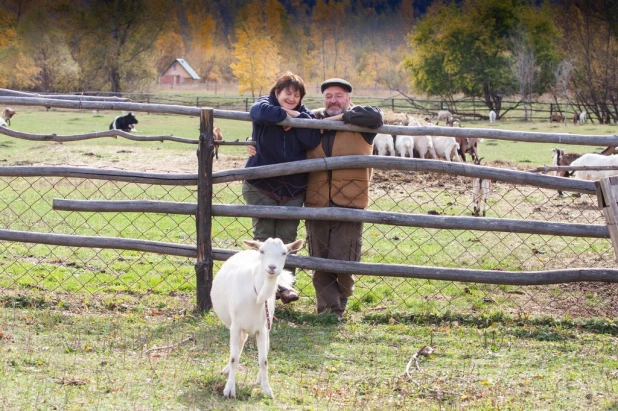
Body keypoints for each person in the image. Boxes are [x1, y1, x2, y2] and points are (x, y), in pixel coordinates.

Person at [305, 78, 383, 318]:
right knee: (319, 259)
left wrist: (339, 118)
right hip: (316, 199)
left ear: (349, 98)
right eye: (328, 96)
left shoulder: (362, 121)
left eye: (339, 95)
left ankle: (343, 296)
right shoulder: (310, 120)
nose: (333, 100)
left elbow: (376, 117)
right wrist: (250, 143)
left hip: (350, 200)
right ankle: (330, 311)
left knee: (344, 259)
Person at [243, 71, 321, 303]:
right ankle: (260, 290)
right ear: (277, 92)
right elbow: (259, 111)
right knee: (265, 238)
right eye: (287, 93)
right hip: (261, 185)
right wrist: (287, 116)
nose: (291, 97)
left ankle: (285, 287)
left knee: (287, 240)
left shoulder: (304, 115)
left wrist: (295, 120)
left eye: (296, 95)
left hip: (292, 189)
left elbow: (312, 138)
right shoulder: (264, 105)